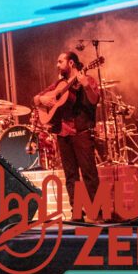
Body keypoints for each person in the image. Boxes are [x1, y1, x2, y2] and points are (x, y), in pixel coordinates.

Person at [33, 52, 100, 213]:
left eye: (60, 61)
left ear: (71, 63)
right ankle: (76, 212)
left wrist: (85, 84)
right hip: (63, 133)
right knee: (71, 176)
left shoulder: (88, 79)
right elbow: (36, 99)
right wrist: (41, 100)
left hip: (81, 132)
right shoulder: (59, 83)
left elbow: (94, 100)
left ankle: (96, 212)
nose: (57, 65)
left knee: (89, 173)